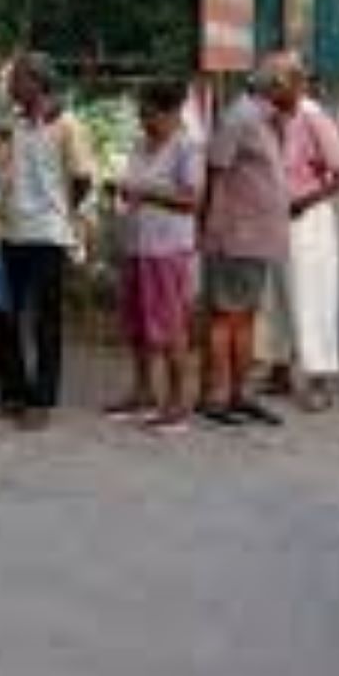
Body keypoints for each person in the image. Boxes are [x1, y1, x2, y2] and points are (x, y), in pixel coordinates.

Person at [0, 52, 95, 430]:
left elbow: (83, 177)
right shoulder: (14, 124)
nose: (11, 86)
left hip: (48, 233)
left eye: (17, 79)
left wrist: (63, 210)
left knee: (45, 320)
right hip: (12, 231)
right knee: (3, 313)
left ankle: (42, 398)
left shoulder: (67, 124)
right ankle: (12, 391)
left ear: (37, 82)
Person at [197, 54, 297, 427]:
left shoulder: (267, 119)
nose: (301, 89)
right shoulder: (240, 116)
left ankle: (241, 394)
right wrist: (210, 226)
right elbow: (215, 171)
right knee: (226, 317)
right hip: (234, 235)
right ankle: (217, 397)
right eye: (296, 82)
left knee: (246, 317)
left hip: (256, 238)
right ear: (275, 85)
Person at [104, 80, 204, 433]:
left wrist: (144, 192)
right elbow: (133, 186)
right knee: (139, 324)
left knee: (171, 326)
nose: (143, 121)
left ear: (170, 112)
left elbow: (192, 200)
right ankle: (143, 390)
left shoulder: (186, 147)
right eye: (141, 114)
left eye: (148, 114)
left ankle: (178, 400)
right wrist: (122, 189)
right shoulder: (141, 145)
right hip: (138, 245)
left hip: (168, 250)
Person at [254, 60, 339, 411]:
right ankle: (279, 371)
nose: (267, 95)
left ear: (294, 85)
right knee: (275, 295)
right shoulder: (270, 115)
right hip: (274, 217)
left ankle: (318, 379)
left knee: (312, 297)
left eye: (273, 88)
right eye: (265, 89)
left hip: (307, 219)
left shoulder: (313, 116)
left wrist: (303, 202)